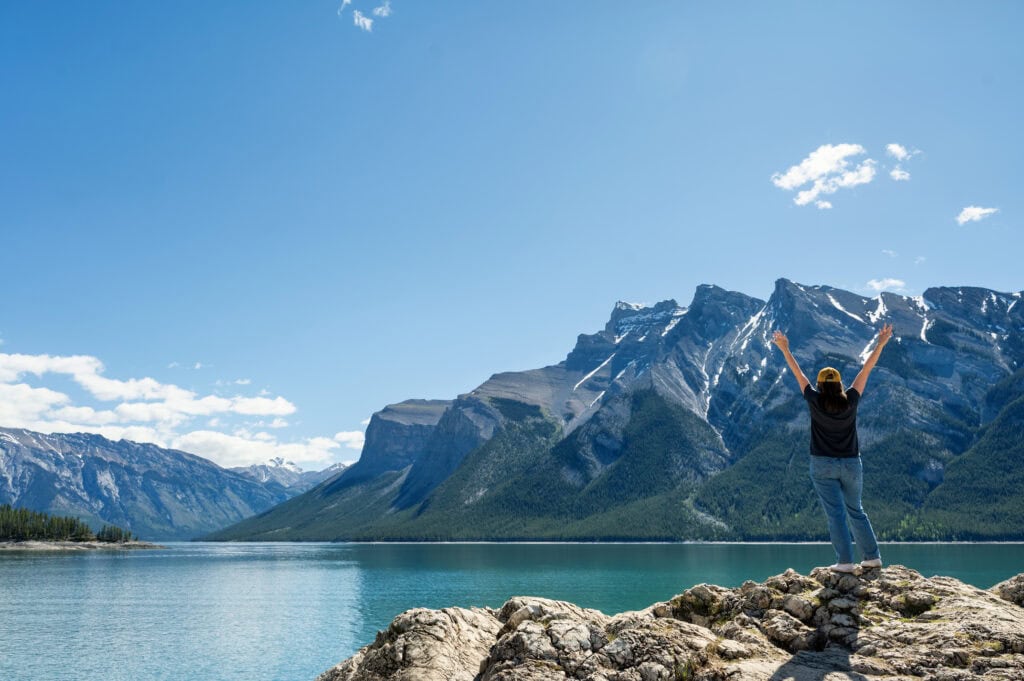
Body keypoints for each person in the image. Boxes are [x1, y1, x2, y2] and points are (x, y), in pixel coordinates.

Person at [771, 324, 893, 573]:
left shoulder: (813, 400)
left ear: (818, 385)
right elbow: (866, 370)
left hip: (822, 464)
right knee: (855, 509)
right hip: (851, 464)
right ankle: (872, 557)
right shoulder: (851, 399)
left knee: (835, 514)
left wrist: (785, 349)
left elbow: (798, 374)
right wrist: (880, 344)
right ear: (839, 384)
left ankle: (845, 562)